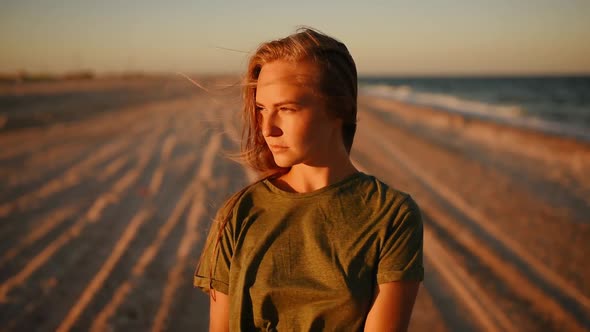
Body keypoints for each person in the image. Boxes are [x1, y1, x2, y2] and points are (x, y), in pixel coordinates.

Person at [194, 27, 424, 331]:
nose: (267, 128)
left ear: (338, 109)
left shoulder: (390, 216)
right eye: (262, 109)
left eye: (287, 109)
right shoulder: (238, 213)